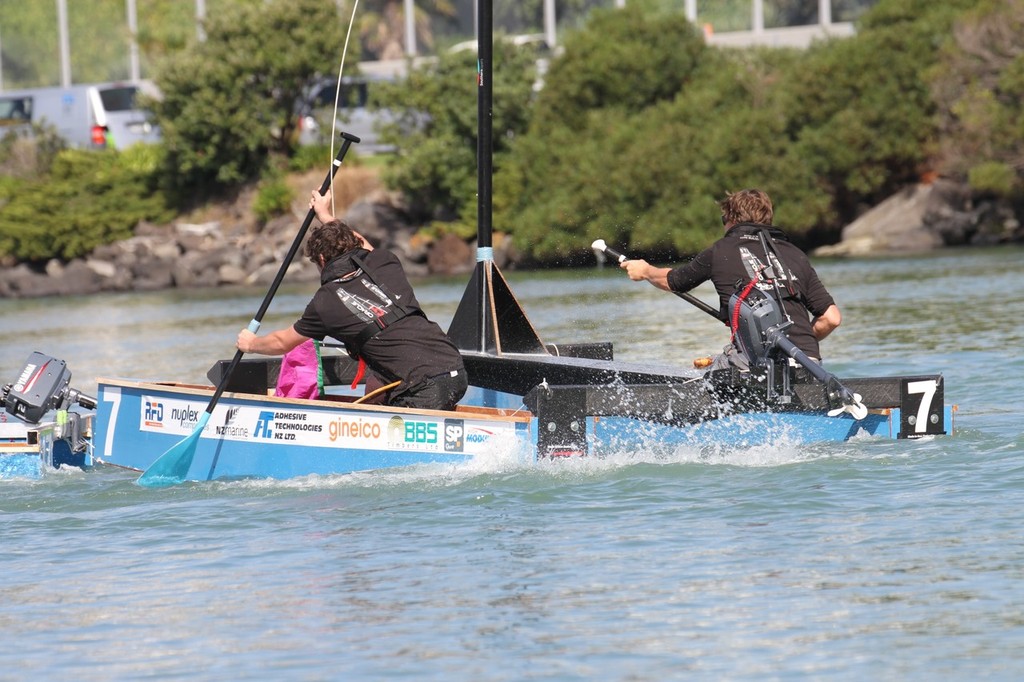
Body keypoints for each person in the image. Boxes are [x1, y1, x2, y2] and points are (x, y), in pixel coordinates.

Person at [237, 188, 467, 411]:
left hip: (424, 387)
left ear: (321, 259)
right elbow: (360, 241)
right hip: (455, 368)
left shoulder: (325, 302)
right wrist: (325, 215)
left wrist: (251, 344)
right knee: (377, 387)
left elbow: (282, 342)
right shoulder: (384, 261)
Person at [621, 188, 841, 367]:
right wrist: (796, 343)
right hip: (809, 363)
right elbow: (832, 318)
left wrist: (646, 271)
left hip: (755, 365)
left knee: (702, 375)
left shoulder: (721, 251)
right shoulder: (795, 254)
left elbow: (674, 281)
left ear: (731, 219)